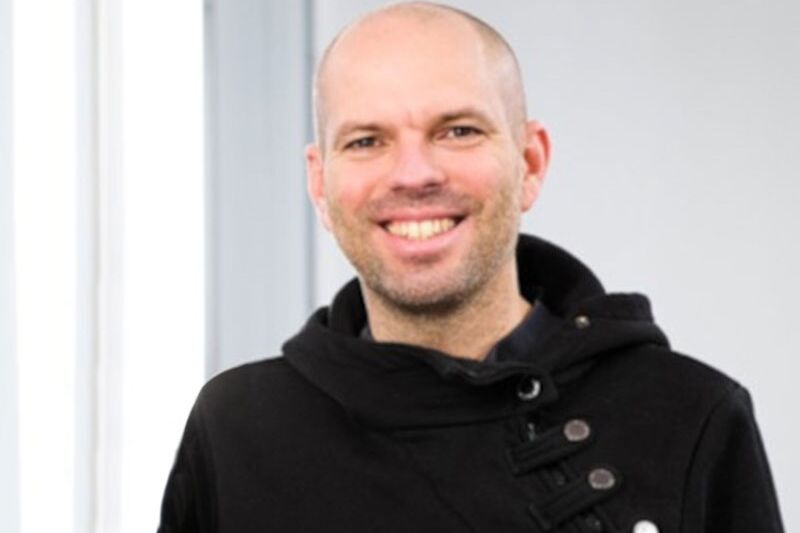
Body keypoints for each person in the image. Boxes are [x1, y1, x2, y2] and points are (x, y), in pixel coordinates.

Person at [158, 2, 784, 532]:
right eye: (367, 141)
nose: (414, 174)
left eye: (457, 131)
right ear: (320, 186)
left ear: (530, 162)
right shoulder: (238, 431)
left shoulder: (689, 415)